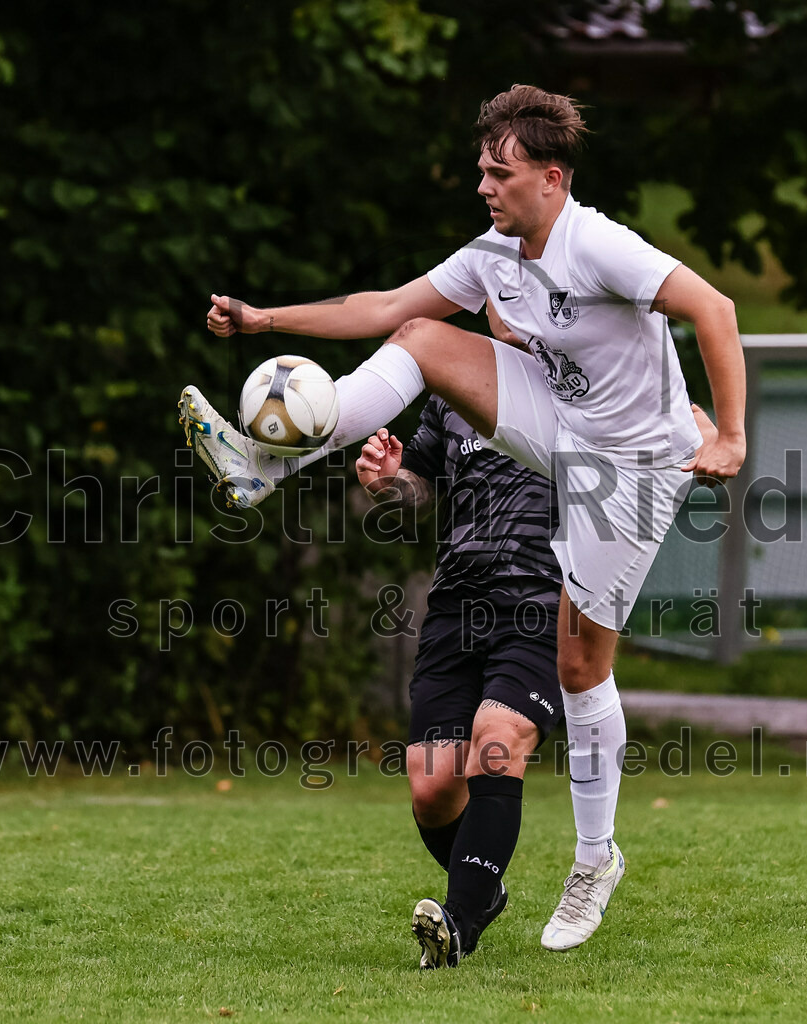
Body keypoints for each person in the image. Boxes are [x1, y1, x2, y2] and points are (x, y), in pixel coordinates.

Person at [180, 83, 745, 962]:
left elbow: (716, 309)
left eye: (499, 172)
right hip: (562, 430)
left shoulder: (599, 245)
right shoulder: (495, 254)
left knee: (580, 662)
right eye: (481, 169)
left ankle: (596, 859)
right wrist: (265, 318)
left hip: (631, 467)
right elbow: (375, 307)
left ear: (550, 179)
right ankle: (266, 463)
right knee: (419, 336)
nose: (484, 186)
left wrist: (730, 433)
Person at [355, 401, 564, 968]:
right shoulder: (452, 389)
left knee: (496, 742)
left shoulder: (579, 372)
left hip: (545, 599)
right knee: (431, 787)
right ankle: (482, 893)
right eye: (499, 302)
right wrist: (388, 482)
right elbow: (419, 493)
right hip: (456, 605)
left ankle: (458, 923)